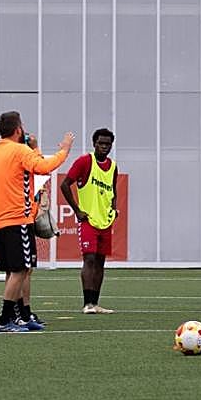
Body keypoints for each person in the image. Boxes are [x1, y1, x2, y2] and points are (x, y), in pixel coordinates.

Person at [0, 112, 74, 332]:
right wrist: (65, 148)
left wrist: (4, 188)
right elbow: (44, 167)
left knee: (16, 271)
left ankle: (20, 316)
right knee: (21, 270)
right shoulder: (20, 151)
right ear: (18, 130)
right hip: (18, 218)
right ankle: (4, 320)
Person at [60, 128, 119, 314]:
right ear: (94, 144)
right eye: (101, 143)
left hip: (105, 221)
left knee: (101, 261)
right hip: (88, 220)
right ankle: (87, 304)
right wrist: (77, 210)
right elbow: (65, 185)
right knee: (90, 258)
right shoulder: (85, 162)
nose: (104, 147)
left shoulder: (113, 166)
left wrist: (113, 209)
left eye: (108, 144)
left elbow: (113, 191)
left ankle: (95, 303)